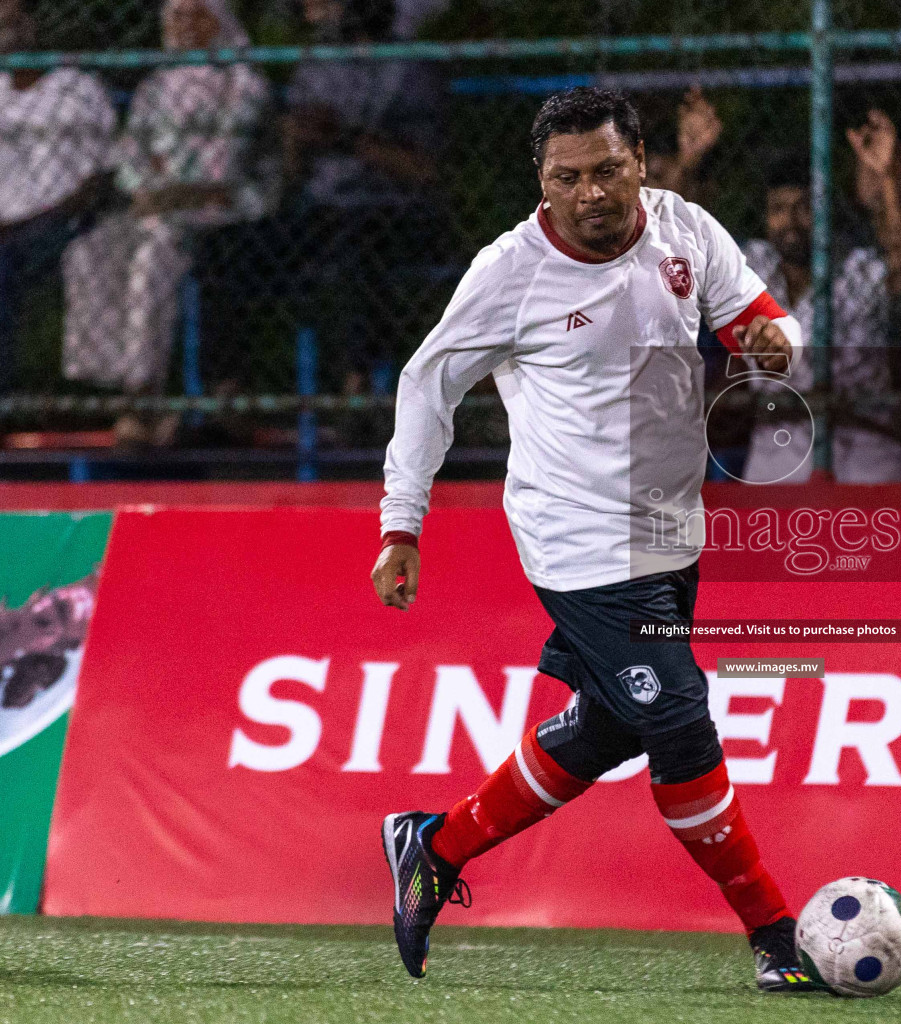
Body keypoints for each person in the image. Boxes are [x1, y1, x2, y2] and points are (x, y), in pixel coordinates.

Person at [372, 87, 819, 993]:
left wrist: (778, 342)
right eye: (566, 177)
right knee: (681, 723)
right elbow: (428, 389)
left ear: (641, 162)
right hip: (575, 543)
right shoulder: (509, 273)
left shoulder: (684, 231)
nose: (590, 193)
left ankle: (435, 842)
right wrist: (401, 522)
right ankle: (777, 938)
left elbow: (760, 321)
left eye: (607, 170)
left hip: (669, 529)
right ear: (541, 182)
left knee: (617, 722)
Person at [61, 0, 271, 446]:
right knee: (91, 251)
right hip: (157, 205)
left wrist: (169, 185)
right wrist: (149, 188)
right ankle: (119, 381)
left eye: (195, 14)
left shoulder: (242, 83)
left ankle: (141, 397)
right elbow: (131, 159)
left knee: (153, 254)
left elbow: (223, 170)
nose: (183, 25)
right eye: (175, 15)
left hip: (224, 209)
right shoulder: (155, 87)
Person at [738, 109, 901, 484]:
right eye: (778, 209)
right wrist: (688, 162)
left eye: (804, 207)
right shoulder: (753, 266)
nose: (790, 221)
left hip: (864, 453)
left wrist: (883, 177)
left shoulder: (857, 268)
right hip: (776, 456)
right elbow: (675, 247)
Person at [282, 0, 445, 398]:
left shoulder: (409, 67)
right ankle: (224, 399)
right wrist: (296, 136)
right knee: (228, 251)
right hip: (320, 209)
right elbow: (291, 170)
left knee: (354, 250)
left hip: (392, 210)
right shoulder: (317, 64)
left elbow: (425, 170)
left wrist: (348, 139)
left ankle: (358, 386)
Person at [0, 0, 115, 392]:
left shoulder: (75, 87)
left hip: (60, 222)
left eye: (13, 22)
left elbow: (96, 179)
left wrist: (33, 221)